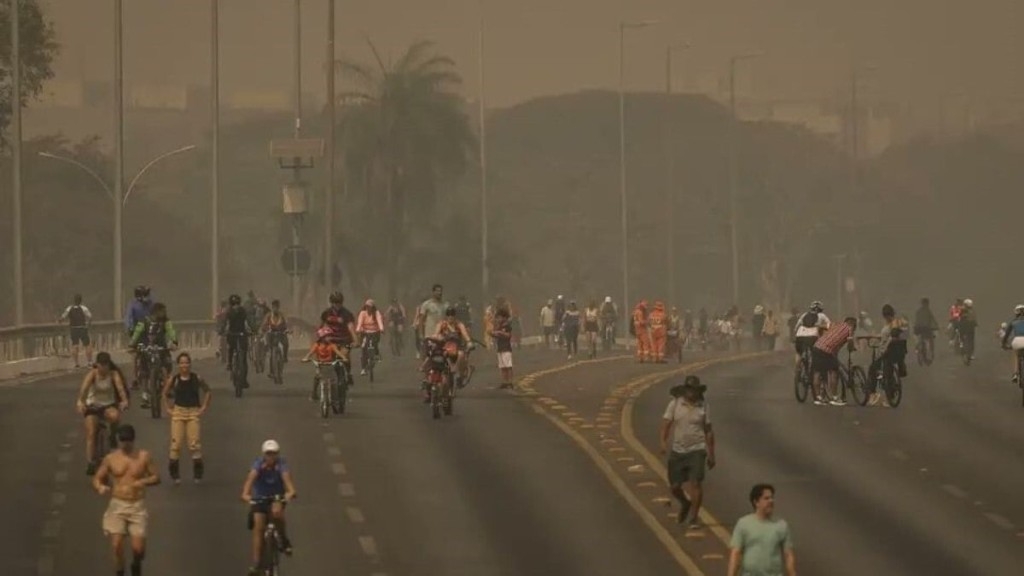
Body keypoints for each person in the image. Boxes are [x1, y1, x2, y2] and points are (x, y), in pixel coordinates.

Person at [93, 424, 160, 576]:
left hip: (137, 506)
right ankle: (120, 572)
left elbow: (156, 477)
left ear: (133, 440)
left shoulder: (144, 456)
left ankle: (136, 564)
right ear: (118, 440)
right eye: (122, 440)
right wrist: (99, 487)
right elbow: (98, 478)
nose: (125, 444)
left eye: (128, 441)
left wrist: (142, 482)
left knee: (138, 550)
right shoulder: (111, 458)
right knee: (116, 546)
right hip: (117, 505)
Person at [660, 376, 715, 530]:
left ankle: (694, 516)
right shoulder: (675, 404)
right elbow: (666, 424)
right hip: (678, 450)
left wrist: (711, 454)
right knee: (675, 486)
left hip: (697, 449)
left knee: (696, 483)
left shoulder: (703, 406)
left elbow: (708, 430)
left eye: (695, 390)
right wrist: (663, 442)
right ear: (685, 390)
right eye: (690, 390)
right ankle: (685, 502)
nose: (692, 393)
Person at [241, 440, 297, 576]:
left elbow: (289, 486)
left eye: (273, 454)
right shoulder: (258, 465)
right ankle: (256, 563)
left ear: (277, 454)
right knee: (258, 526)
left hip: (277, 497)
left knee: (277, 513)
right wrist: (248, 497)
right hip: (260, 498)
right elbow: (247, 486)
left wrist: (289, 495)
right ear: (264, 454)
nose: (271, 457)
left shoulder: (281, 465)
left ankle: (284, 540)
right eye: (268, 454)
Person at [161, 352, 211, 485]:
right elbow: (164, 393)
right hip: (178, 412)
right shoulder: (174, 379)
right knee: (176, 444)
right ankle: (174, 473)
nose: (184, 365)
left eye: (187, 362)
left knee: (194, 444)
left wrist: (204, 407)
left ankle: (198, 473)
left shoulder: (196, 378)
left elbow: (207, 391)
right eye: (182, 363)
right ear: (178, 365)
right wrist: (168, 408)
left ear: (190, 364)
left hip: (193, 412)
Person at [77, 352, 129, 475]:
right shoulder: (92, 375)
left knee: (116, 417)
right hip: (93, 406)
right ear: (97, 365)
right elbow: (84, 390)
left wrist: (124, 401)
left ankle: (112, 436)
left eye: (106, 366)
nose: (104, 369)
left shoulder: (113, 374)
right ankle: (90, 462)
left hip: (108, 405)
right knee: (91, 432)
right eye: (101, 366)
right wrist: (81, 402)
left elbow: (120, 389)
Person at [728, 483, 797, 576]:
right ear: (756, 502)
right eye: (766, 498)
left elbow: (788, 555)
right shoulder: (744, 523)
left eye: (772, 498)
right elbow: (735, 553)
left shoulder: (781, 525)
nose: (771, 501)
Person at [129, 302, 178, 408]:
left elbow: (171, 331)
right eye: (162, 311)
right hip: (147, 348)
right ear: (156, 312)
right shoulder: (144, 321)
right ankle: (145, 395)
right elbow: (137, 332)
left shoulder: (166, 321)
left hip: (162, 348)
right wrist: (132, 344)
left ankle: (167, 386)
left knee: (167, 366)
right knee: (144, 371)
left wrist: (174, 342)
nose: (164, 313)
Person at [810, 316, 858, 406]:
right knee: (834, 372)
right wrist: (852, 348)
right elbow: (850, 343)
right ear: (853, 324)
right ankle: (834, 398)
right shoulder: (850, 328)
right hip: (826, 350)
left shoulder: (835, 324)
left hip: (817, 346)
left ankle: (818, 398)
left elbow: (821, 326)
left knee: (817, 372)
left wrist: (822, 337)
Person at [868, 305, 907, 407]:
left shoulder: (894, 324)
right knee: (885, 371)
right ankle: (886, 394)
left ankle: (874, 393)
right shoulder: (898, 322)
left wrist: (884, 349)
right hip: (899, 352)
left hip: (890, 352)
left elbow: (891, 338)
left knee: (874, 369)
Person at [427, 306, 474, 386]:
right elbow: (436, 333)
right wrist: (432, 338)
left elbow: (465, 335)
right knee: (431, 355)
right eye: (448, 315)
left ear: (455, 316)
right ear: (446, 316)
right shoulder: (442, 324)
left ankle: (455, 370)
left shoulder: (459, 325)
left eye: (452, 315)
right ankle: (428, 376)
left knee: (461, 355)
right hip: (443, 347)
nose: (450, 317)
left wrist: (469, 342)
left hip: (457, 348)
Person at [320, 291, 358, 385]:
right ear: (331, 302)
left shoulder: (347, 314)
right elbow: (322, 327)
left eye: (339, 302)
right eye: (335, 302)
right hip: (331, 341)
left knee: (344, 356)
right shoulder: (326, 313)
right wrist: (323, 337)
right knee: (326, 361)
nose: (337, 305)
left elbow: (351, 328)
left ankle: (348, 373)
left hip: (344, 340)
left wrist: (356, 340)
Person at [302, 327, 350, 401]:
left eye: (330, 336)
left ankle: (335, 395)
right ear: (322, 337)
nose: (330, 338)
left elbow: (338, 352)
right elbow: (310, 353)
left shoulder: (331, 345)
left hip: (331, 364)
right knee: (317, 377)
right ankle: (314, 393)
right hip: (320, 364)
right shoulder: (317, 345)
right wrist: (305, 358)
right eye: (328, 336)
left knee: (333, 380)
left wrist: (344, 358)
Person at [223, 294, 254, 388]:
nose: (236, 306)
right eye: (234, 304)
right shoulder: (229, 312)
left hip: (241, 334)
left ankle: (243, 379)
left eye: (237, 304)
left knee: (242, 357)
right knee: (231, 349)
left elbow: (246, 323)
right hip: (234, 335)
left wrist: (250, 330)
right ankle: (229, 363)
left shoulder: (241, 311)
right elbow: (226, 324)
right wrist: (224, 330)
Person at [793, 301, 830, 370]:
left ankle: (798, 366)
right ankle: (813, 367)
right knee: (815, 353)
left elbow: (797, 326)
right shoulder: (822, 315)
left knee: (798, 352)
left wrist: (795, 333)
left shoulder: (805, 314)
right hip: (813, 336)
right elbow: (829, 324)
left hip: (800, 335)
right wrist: (824, 327)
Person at [414, 285, 448, 357]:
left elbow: (449, 319)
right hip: (429, 335)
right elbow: (421, 319)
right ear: (433, 292)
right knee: (429, 356)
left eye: (440, 291)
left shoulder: (445, 305)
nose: (439, 293)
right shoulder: (427, 304)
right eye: (437, 291)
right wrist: (421, 334)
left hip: (442, 335)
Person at [61, 293, 94, 368]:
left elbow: (63, 317)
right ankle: (89, 362)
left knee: (75, 345)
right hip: (82, 328)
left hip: (73, 328)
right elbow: (90, 316)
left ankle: (76, 363)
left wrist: (59, 321)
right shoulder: (83, 308)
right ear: (81, 300)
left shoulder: (69, 308)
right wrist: (88, 324)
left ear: (74, 300)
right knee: (87, 345)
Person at [356, 299, 385, 375]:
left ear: (373, 307)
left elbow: (379, 321)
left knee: (375, 344)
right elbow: (360, 322)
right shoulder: (362, 313)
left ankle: (376, 354)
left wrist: (381, 329)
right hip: (365, 332)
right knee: (364, 348)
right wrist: (358, 330)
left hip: (375, 332)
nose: (368, 308)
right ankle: (363, 368)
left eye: (370, 307)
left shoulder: (376, 313)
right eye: (367, 306)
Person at [491, 308, 515, 389]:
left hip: (506, 348)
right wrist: (492, 334)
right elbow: (496, 335)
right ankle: (505, 381)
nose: (498, 319)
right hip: (500, 348)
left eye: (499, 317)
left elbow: (508, 335)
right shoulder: (499, 326)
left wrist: (500, 333)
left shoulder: (507, 325)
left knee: (508, 366)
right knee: (502, 367)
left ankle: (510, 382)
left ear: (504, 317)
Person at [261, 299, 290, 364]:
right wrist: (264, 328)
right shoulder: (268, 315)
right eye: (274, 307)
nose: (275, 309)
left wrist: (287, 329)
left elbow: (286, 324)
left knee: (286, 343)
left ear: (278, 307)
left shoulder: (282, 315)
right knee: (269, 349)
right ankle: (271, 371)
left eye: (276, 307)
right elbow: (264, 324)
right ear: (272, 307)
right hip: (271, 333)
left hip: (280, 333)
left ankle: (285, 356)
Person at [1000, 305, 1024, 382]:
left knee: (1016, 355)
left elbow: (1006, 335)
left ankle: (1015, 374)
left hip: (1017, 341)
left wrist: (1003, 344)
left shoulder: (1013, 322)